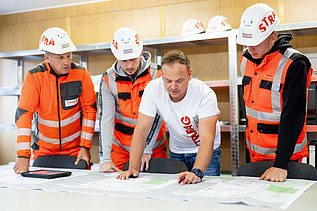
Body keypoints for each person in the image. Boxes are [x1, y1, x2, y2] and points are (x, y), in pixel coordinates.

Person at [117, 50, 221, 185]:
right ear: (162, 77)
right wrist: (133, 168)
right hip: (177, 149)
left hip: (206, 150)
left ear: (189, 75)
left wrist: (197, 172)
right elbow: (142, 129)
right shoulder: (153, 89)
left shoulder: (205, 94)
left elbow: (207, 138)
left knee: (205, 195)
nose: (173, 86)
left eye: (179, 81)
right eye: (168, 81)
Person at [236, 3, 313, 182]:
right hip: (255, 153)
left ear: (273, 37)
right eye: (248, 42)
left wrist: (281, 163)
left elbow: (293, 116)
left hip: (286, 159)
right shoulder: (246, 60)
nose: (251, 48)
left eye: (257, 42)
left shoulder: (294, 64)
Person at [13, 27, 97, 174]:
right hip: (44, 152)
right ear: (47, 57)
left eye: (69, 56)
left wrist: (85, 147)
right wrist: (23, 154)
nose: (66, 62)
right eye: (60, 57)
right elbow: (24, 115)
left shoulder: (81, 74)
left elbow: (89, 111)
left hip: (75, 152)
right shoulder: (34, 77)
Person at [99, 27, 167, 172]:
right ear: (115, 56)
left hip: (153, 148)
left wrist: (146, 148)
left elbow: (159, 115)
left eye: (133, 59)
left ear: (141, 53)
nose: (129, 65)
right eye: (124, 61)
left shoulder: (158, 74)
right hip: (121, 149)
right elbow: (106, 120)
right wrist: (105, 159)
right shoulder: (108, 79)